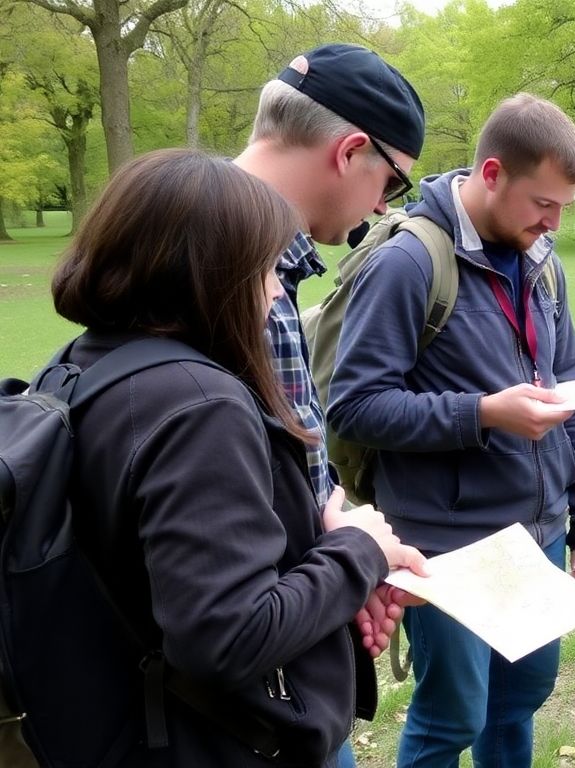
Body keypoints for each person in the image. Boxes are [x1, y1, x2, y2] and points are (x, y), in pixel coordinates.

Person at [47, 148, 427, 767]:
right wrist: (363, 550)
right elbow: (228, 636)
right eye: (266, 268)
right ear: (210, 272)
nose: (278, 289)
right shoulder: (201, 405)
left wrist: (332, 563)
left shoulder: (80, 367)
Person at [325, 93, 575, 768]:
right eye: (543, 203)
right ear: (490, 174)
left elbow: (572, 392)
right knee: (453, 717)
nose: (553, 222)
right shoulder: (409, 263)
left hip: (538, 533)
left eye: (564, 206)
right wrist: (483, 412)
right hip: (445, 546)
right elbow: (354, 407)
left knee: (520, 701)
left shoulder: (544, 264)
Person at [234, 43, 426, 673]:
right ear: (349, 152)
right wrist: (352, 555)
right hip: (255, 661)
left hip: (298, 606)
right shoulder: (230, 277)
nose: (382, 207)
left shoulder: (227, 252)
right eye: (391, 180)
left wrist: (348, 534)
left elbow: (283, 458)